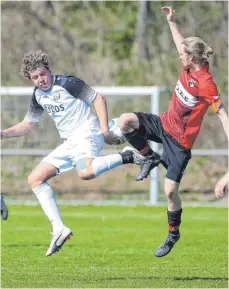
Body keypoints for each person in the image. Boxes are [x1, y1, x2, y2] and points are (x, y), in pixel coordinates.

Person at [0, 50, 143, 256]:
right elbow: (28, 124)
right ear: (30, 79)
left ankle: (127, 155)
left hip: (87, 133)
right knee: (35, 179)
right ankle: (59, 229)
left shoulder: (67, 83)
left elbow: (98, 98)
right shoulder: (38, 96)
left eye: (42, 74)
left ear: (48, 70)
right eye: (35, 77)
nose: (40, 80)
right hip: (69, 142)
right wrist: (3, 133)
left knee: (85, 173)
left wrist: (104, 131)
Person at [118, 6, 228, 257]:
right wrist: (171, 22)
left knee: (169, 192)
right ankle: (149, 156)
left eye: (183, 55)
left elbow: (222, 114)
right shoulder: (188, 63)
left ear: (193, 58)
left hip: (180, 143)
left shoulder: (206, 83)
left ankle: (172, 233)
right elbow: (180, 42)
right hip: (162, 123)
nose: (180, 56)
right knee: (125, 121)